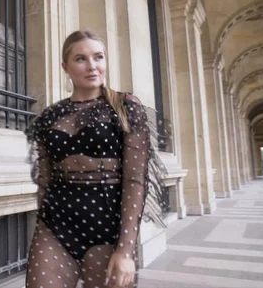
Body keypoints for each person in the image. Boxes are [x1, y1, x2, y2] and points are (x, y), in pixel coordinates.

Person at [25, 30, 168, 288]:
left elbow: (135, 179)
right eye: (81, 59)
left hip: (107, 230)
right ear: (65, 67)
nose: (92, 66)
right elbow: (45, 181)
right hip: (56, 226)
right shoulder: (50, 116)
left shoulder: (125, 107)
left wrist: (125, 249)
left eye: (98, 57)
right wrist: (42, 223)